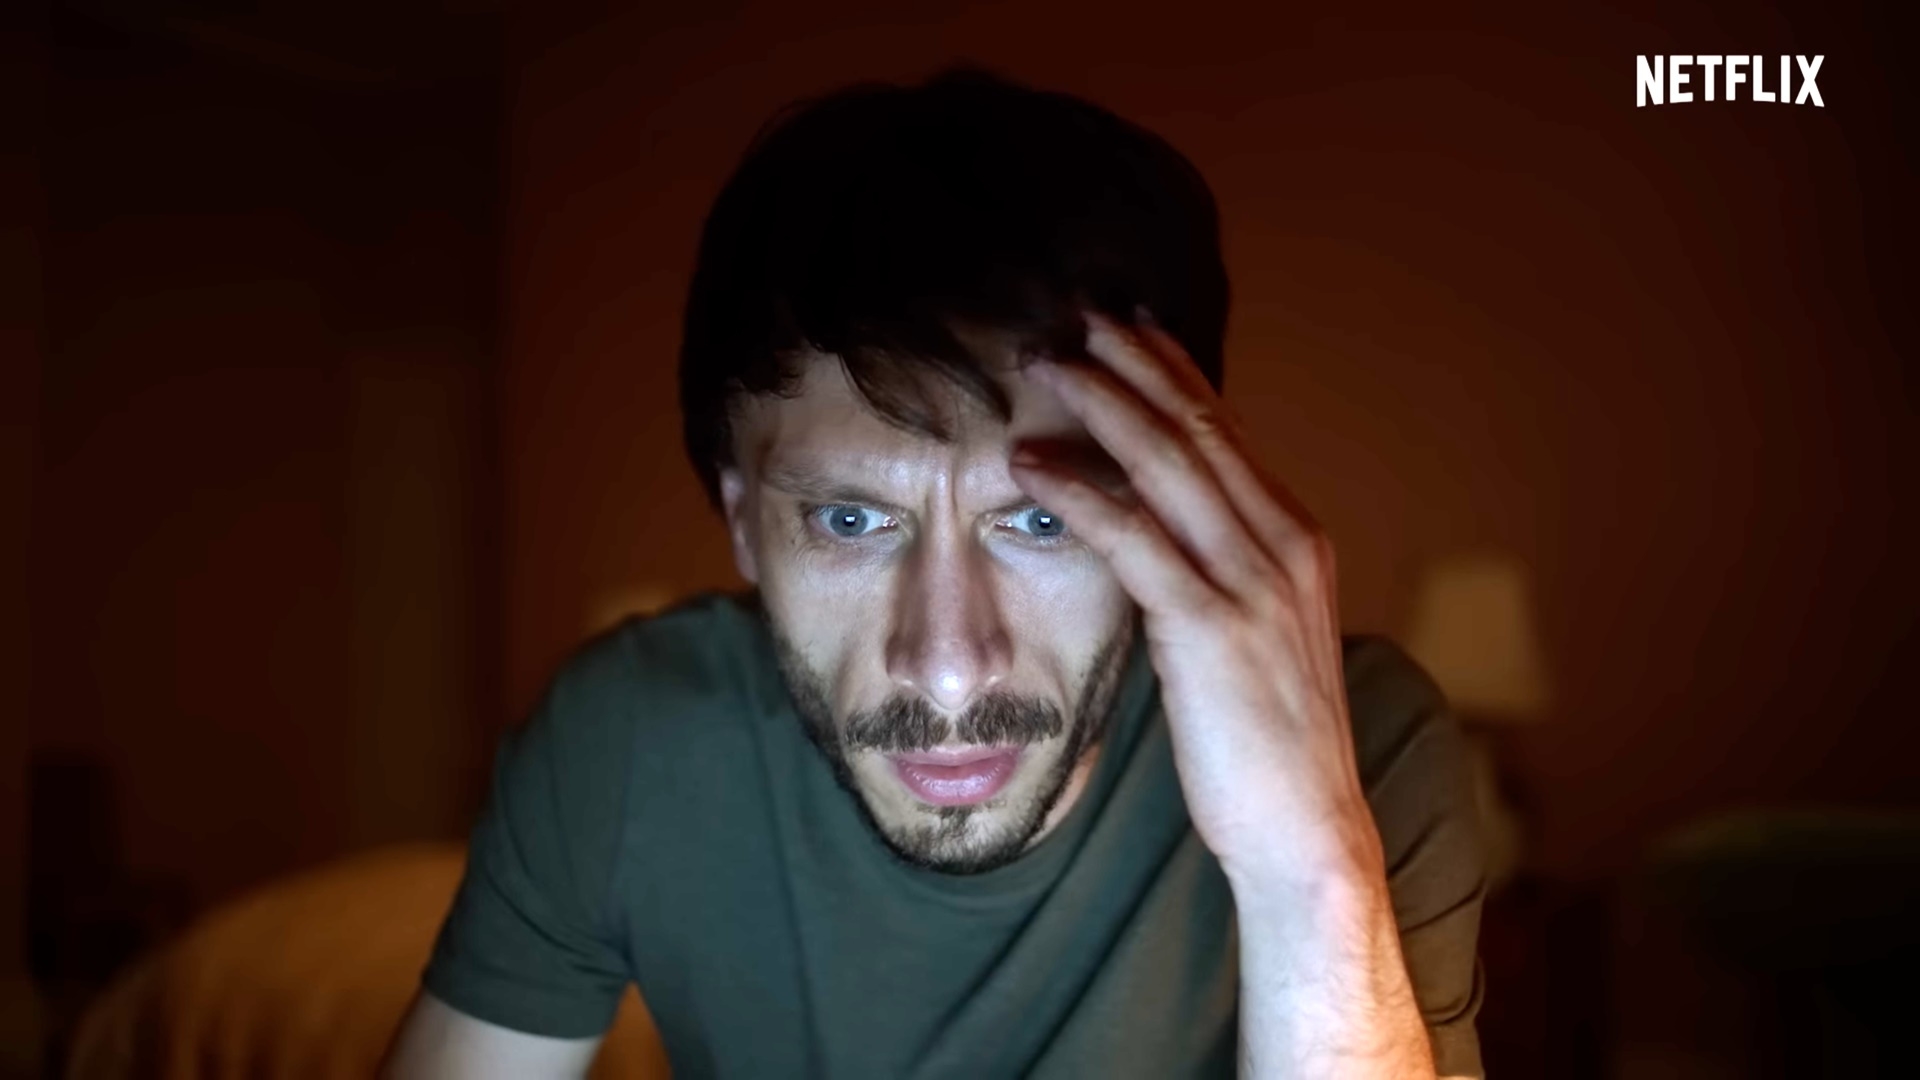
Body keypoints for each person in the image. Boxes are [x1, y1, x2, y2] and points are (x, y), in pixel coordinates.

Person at [384, 66, 1486, 1079]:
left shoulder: (1365, 746)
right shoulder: (630, 738)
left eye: (1043, 520)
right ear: (743, 522)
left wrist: (1309, 869)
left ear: (1168, 502)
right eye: (851, 519)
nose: (950, 668)